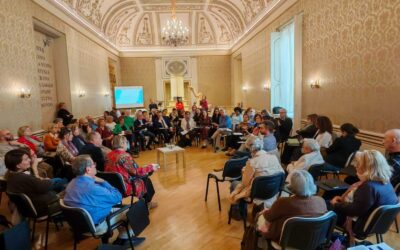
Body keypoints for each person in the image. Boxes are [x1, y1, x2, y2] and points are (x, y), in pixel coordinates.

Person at [64, 155, 145, 246]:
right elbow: (118, 196)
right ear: (88, 169)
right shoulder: (93, 188)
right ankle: (125, 239)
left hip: (79, 226)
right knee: (133, 210)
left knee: (114, 204)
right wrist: (103, 182)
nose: (95, 165)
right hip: (97, 225)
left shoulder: (70, 185)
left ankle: (118, 236)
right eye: (93, 164)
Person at [330, 150, 398, 238]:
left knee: (323, 207)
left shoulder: (369, 187)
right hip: (376, 225)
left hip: (359, 225)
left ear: (366, 167)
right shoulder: (386, 182)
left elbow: (354, 210)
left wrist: (336, 204)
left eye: (358, 163)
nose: (356, 166)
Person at [258, 170, 327, 242]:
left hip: (287, 240)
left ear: (292, 186)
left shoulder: (283, 202)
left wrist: (264, 212)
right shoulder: (321, 201)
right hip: (312, 241)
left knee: (259, 217)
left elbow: (269, 217)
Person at [5, 149, 66, 217]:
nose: (30, 160)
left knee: (59, 182)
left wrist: (44, 181)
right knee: (63, 182)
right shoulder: (23, 177)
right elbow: (43, 187)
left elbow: (37, 184)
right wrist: (34, 167)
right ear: (18, 166)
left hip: (30, 208)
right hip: (43, 207)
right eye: (26, 159)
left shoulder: (10, 175)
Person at [105, 136, 159, 207]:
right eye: (127, 142)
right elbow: (136, 172)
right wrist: (151, 167)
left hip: (112, 185)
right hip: (125, 186)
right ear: (123, 143)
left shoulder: (108, 155)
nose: (128, 144)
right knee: (146, 179)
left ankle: (146, 203)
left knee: (145, 177)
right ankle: (147, 204)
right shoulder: (124, 156)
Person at [230, 138, 284, 207]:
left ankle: (238, 213)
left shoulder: (252, 162)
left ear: (251, 149)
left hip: (258, 193)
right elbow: (282, 173)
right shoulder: (274, 157)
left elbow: (245, 184)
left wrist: (244, 172)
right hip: (273, 191)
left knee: (234, 183)